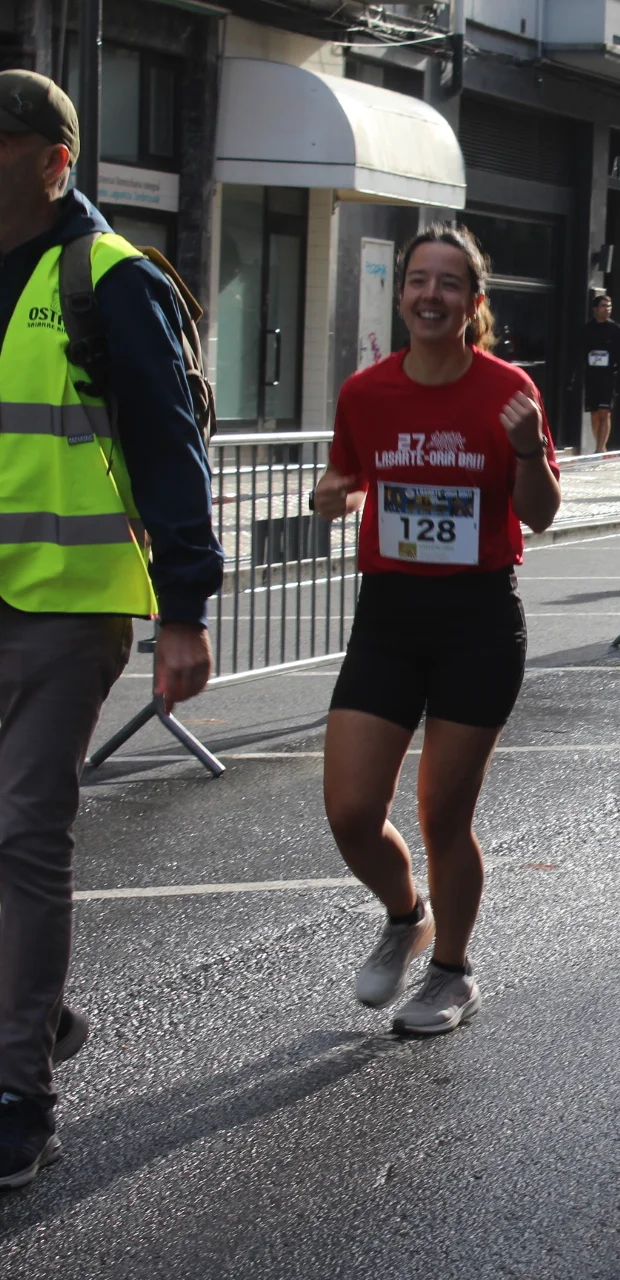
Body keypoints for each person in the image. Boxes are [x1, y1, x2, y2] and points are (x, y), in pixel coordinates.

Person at [0, 70, 221, 1191]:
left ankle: (18, 1095)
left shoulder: (109, 277)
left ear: (54, 162)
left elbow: (173, 446)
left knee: (24, 832)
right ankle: (35, 1010)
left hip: (65, 601)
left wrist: (185, 609)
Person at [312, 224, 561, 1039]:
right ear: (402, 294)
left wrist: (527, 453)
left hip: (476, 621)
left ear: (472, 301)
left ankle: (452, 970)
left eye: (449, 283)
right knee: (351, 810)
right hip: (388, 615)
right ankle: (406, 914)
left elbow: (541, 514)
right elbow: (345, 481)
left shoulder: (508, 392)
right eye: (419, 280)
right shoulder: (366, 393)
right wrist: (332, 496)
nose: (431, 295)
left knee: (444, 817)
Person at [578, 292, 620, 454]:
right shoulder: (586, 329)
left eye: (609, 306)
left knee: (605, 413)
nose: (607, 309)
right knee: (595, 414)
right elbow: (580, 353)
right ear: (595, 309)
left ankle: (599, 449)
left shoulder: (616, 329)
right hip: (591, 376)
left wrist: (619, 380)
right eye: (604, 306)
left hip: (608, 377)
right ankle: (601, 446)